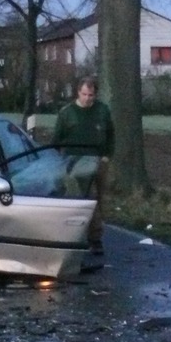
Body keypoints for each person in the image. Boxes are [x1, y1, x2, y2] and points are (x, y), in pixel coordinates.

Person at [52, 75, 115, 255]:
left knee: (97, 200)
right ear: (78, 93)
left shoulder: (102, 111)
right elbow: (57, 140)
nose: (88, 99)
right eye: (85, 95)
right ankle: (76, 235)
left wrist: (107, 155)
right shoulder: (66, 113)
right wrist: (58, 161)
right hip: (74, 162)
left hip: (98, 160)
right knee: (81, 198)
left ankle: (95, 238)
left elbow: (111, 134)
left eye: (91, 95)